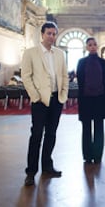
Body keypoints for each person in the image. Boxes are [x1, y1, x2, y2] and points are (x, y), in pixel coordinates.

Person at [21, 21, 69, 186]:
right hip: (40, 100)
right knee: (36, 136)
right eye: (49, 33)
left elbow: (64, 75)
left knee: (51, 134)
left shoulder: (60, 54)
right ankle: (31, 172)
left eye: (54, 34)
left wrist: (63, 94)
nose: (52, 36)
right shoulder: (30, 53)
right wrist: (35, 97)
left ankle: (47, 166)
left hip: (56, 99)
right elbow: (26, 77)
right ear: (42, 34)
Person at [76, 37, 105, 164]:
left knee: (99, 127)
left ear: (97, 46)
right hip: (85, 99)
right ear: (86, 47)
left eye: (95, 44)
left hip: (100, 98)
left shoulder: (103, 62)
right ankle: (88, 156)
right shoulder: (81, 62)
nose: (93, 47)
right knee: (86, 128)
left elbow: (103, 78)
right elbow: (80, 80)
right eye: (90, 45)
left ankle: (98, 154)